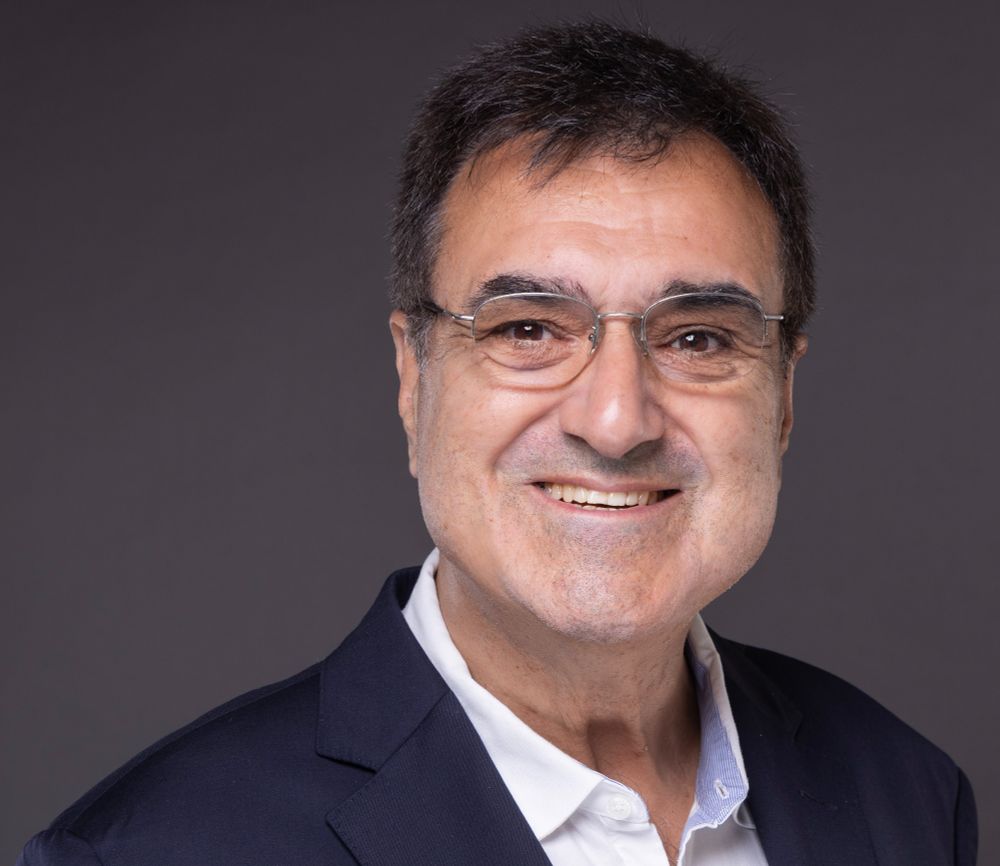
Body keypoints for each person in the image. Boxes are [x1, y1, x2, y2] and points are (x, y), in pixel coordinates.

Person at [18, 21, 976, 866]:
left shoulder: (908, 796)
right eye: (527, 329)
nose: (615, 420)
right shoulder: (153, 852)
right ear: (414, 377)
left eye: (696, 338)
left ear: (782, 399)